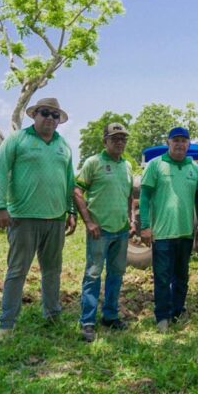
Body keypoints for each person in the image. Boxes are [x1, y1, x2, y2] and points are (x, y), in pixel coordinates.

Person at [0, 97, 77, 341]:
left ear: (59, 121)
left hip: (56, 219)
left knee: (52, 270)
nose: (49, 118)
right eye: (44, 113)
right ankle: (6, 325)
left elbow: (69, 182)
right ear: (34, 115)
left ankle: (52, 315)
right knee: (17, 271)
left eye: (54, 115)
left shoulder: (64, 146)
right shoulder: (18, 140)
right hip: (23, 218)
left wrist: (70, 211)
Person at [73, 122, 134, 342]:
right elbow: (77, 190)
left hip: (121, 230)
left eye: (123, 138)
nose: (119, 142)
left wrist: (131, 219)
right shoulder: (93, 163)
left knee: (116, 274)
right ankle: (87, 321)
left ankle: (110, 315)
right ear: (105, 141)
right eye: (115, 138)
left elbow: (128, 195)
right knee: (93, 274)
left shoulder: (126, 165)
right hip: (100, 230)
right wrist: (88, 221)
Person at [139, 127, 198, 333]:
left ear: (188, 144)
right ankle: (162, 317)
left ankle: (177, 311)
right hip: (162, 233)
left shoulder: (195, 168)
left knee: (182, 275)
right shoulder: (155, 165)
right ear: (168, 142)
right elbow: (145, 197)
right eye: (176, 140)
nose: (180, 144)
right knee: (163, 277)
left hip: (186, 233)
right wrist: (145, 226)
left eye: (184, 141)